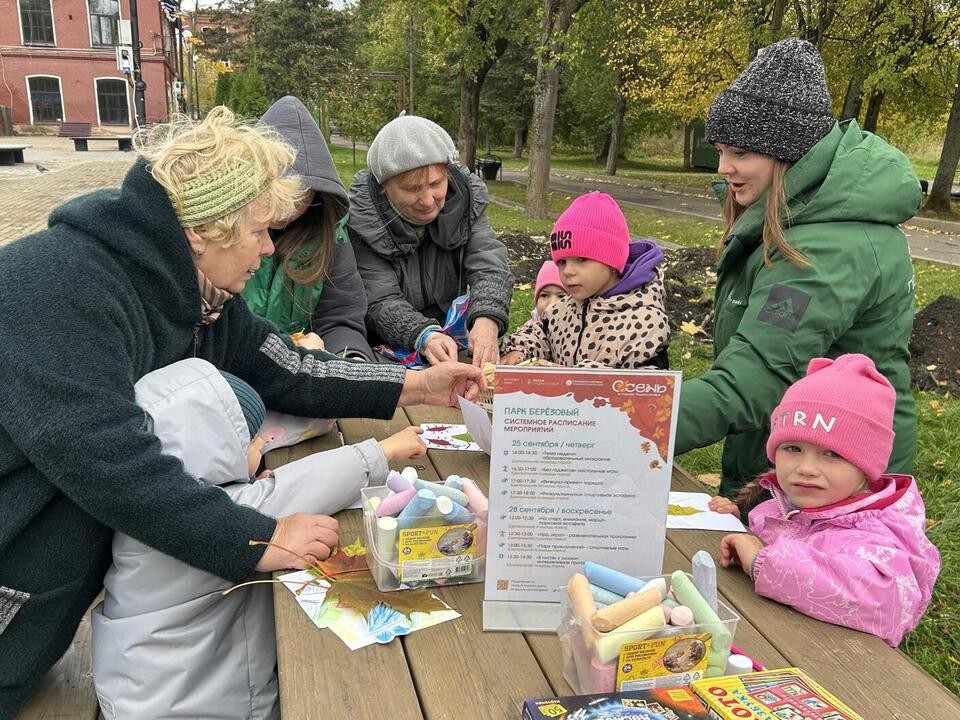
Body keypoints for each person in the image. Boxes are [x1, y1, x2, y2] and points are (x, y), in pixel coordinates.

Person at [0, 107, 483, 716]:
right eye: (259, 231)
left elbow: (290, 368)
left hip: (59, 569)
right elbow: (108, 461)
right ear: (205, 230)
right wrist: (256, 537)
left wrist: (416, 384)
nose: (269, 248)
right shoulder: (55, 286)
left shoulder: (189, 293)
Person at [92, 359, 426, 719]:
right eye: (250, 439)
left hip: (139, 684)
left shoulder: (151, 504)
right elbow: (298, 491)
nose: (262, 442)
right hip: (194, 700)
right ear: (213, 448)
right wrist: (383, 451)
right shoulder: (209, 516)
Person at [674, 38, 921, 498]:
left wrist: (637, 421)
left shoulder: (828, 247)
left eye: (740, 152)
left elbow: (757, 377)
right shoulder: (802, 218)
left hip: (839, 484)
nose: (723, 167)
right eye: (720, 149)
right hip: (808, 458)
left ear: (787, 154)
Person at [714, 354, 940, 647]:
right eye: (793, 448)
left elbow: (885, 603)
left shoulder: (877, 533)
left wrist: (763, 561)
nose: (806, 468)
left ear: (866, 467)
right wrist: (738, 527)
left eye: (832, 454)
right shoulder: (788, 506)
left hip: (841, 663)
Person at [344, 114, 514, 367]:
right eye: (412, 189)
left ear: (448, 174)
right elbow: (379, 300)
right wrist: (424, 335)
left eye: (435, 183)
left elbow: (488, 264)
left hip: (452, 340)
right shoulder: (362, 223)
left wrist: (487, 317)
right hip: (384, 348)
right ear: (383, 186)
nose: (427, 200)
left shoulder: (468, 205)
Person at [243, 96, 374, 361]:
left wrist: (351, 360)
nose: (287, 207)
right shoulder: (223, 234)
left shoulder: (330, 236)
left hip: (295, 368)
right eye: (278, 191)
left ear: (319, 193)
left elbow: (340, 316)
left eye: (301, 194)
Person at [500, 192, 670, 369]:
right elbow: (539, 333)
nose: (568, 271)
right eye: (562, 262)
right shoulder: (561, 311)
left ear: (612, 261)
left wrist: (569, 377)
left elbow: (645, 382)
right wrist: (520, 350)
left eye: (581, 259)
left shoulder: (645, 320)